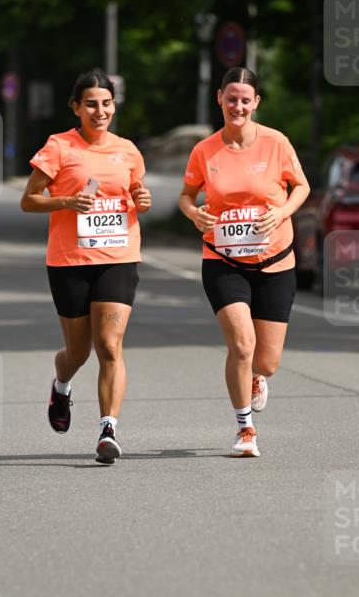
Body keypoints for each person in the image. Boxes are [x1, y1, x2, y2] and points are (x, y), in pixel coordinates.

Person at [20, 69, 151, 464]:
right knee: (78, 352)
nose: (100, 111)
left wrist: (141, 200)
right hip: (70, 261)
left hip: (118, 257)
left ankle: (108, 429)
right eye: (91, 104)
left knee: (110, 346)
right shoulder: (59, 147)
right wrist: (66, 202)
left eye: (106, 104)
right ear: (76, 107)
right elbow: (28, 200)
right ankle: (61, 386)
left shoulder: (127, 149)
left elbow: (136, 194)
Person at [179, 67, 310, 458]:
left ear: (256, 103)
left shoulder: (275, 143)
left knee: (265, 361)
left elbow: (301, 186)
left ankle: (256, 378)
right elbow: (187, 196)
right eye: (231, 98)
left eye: (245, 99)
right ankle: (245, 428)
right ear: (219, 98)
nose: (237, 105)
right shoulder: (205, 150)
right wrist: (194, 214)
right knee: (240, 344)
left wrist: (283, 211)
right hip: (223, 259)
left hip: (275, 261)